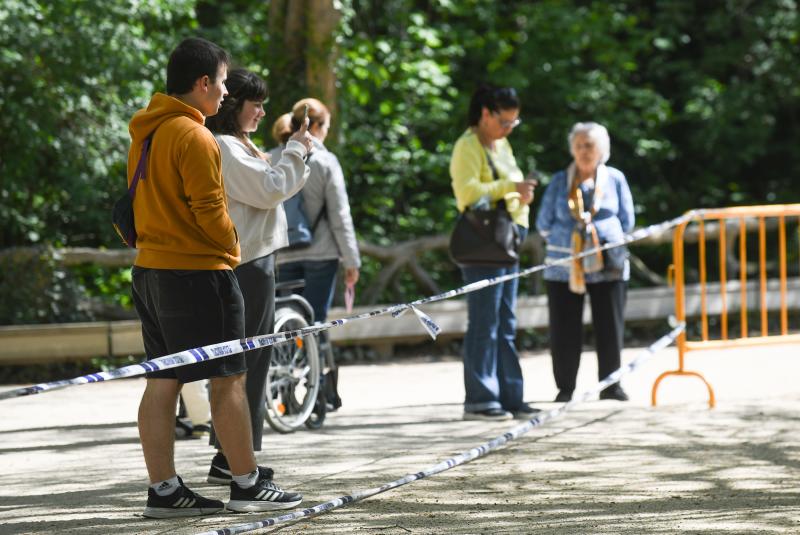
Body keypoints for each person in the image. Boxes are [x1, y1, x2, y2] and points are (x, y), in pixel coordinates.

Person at [128, 37, 301, 519]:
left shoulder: (146, 132)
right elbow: (210, 210)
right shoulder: (195, 135)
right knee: (229, 376)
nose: (225, 93)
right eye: (222, 82)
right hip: (199, 271)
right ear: (202, 83)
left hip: (150, 268)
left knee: (162, 378)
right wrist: (231, 248)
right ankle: (244, 482)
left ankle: (163, 489)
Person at [204, 68, 311, 483]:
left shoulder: (239, 143)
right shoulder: (227, 146)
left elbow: (277, 186)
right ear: (235, 107)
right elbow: (270, 189)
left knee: (251, 359)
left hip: (256, 257)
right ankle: (233, 460)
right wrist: (296, 151)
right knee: (247, 359)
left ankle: (230, 457)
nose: (264, 113)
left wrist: (294, 155)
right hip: (246, 261)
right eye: (257, 105)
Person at [449, 84, 541, 421]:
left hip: (509, 240)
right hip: (484, 243)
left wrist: (521, 196)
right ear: (485, 113)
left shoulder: (502, 145)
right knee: (485, 321)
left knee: (506, 321)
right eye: (504, 122)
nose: (507, 129)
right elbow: (468, 194)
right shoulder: (466, 146)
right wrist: (510, 188)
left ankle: (511, 396)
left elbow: (510, 188)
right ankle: (479, 399)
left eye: (513, 124)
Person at [535, 122, 635, 403]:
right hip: (562, 266)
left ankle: (611, 385)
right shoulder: (559, 180)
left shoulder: (614, 179)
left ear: (602, 149)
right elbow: (543, 223)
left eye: (589, 145)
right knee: (564, 328)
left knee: (610, 326)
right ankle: (565, 388)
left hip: (608, 265)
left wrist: (601, 239)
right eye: (578, 145)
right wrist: (570, 240)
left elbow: (628, 220)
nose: (583, 151)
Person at [275, 98, 361, 411]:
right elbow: (340, 216)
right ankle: (320, 393)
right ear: (318, 127)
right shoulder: (326, 162)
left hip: (283, 254)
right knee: (314, 322)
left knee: (286, 323)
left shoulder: (274, 158)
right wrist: (352, 260)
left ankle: (285, 390)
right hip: (321, 255)